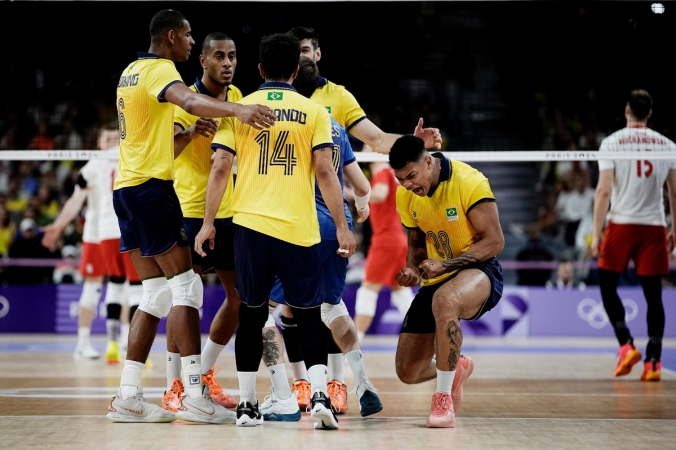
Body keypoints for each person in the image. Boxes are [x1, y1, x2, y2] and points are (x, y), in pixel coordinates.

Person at [106, 9, 276, 424]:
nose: (189, 42)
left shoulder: (129, 71)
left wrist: (185, 135)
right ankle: (195, 393)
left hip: (126, 188)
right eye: (187, 37)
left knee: (155, 294)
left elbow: (152, 133)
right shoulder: (161, 69)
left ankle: (128, 395)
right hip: (153, 191)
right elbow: (187, 99)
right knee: (187, 289)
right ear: (170, 38)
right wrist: (236, 112)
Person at [196, 33, 354, 429]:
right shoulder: (315, 112)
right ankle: (319, 397)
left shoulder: (240, 109)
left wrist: (208, 224)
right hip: (299, 230)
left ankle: (248, 406)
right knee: (309, 316)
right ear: (297, 71)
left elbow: (218, 169)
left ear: (260, 69)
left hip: (251, 228)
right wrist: (342, 226)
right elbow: (325, 171)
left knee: (250, 316)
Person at [258, 58, 381, 420]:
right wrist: (359, 212)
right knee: (333, 307)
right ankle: (362, 384)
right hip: (334, 229)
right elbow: (361, 186)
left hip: (296, 227)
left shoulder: (288, 121)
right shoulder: (336, 126)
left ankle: (286, 393)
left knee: (261, 312)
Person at [389, 135, 504, 428]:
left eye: (411, 176)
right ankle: (458, 367)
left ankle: (443, 400)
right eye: (401, 179)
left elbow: (495, 241)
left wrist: (447, 265)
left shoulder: (470, 182)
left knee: (446, 299)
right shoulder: (406, 194)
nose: (407, 185)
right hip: (435, 277)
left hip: (480, 271)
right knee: (408, 372)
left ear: (429, 162)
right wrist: (413, 270)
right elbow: (416, 243)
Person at [161, 32, 242, 413]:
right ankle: (175, 385)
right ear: (203, 62)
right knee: (184, 299)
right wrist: (191, 132)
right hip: (189, 212)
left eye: (232, 57)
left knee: (240, 300)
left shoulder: (239, 98)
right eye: (219, 57)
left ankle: (205, 371)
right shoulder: (182, 99)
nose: (227, 63)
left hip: (232, 214)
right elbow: (168, 149)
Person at [591, 89, 676, 382]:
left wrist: (595, 232)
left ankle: (626, 344)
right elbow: (674, 192)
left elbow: (603, 191)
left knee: (606, 284)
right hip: (653, 226)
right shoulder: (668, 145)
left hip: (621, 224)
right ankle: (653, 362)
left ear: (627, 111)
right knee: (654, 296)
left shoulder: (611, 143)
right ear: (649, 113)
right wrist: (674, 227)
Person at [42, 124, 143, 364]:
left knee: (127, 288)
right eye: (106, 138)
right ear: (98, 142)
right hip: (95, 235)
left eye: (113, 138)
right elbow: (76, 200)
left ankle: (122, 343)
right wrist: (59, 225)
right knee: (94, 288)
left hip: (119, 232)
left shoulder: (126, 156)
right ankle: (83, 343)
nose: (110, 142)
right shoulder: (94, 165)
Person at [287, 26, 442, 154]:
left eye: (305, 50)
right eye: (294, 51)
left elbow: (378, 140)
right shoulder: (272, 95)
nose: (300, 56)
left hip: (324, 189)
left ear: (317, 54)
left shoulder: (338, 96)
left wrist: (416, 141)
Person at [354, 148, 414, 342]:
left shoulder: (381, 172)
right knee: (401, 293)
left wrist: (350, 193)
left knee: (367, 293)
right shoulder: (390, 173)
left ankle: (351, 348)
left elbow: (380, 195)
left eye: (366, 147)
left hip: (386, 241)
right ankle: (428, 336)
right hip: (398, 239)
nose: (363, 150)